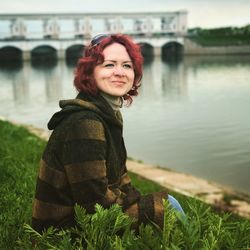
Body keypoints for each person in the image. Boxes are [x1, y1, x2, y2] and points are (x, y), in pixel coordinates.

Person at [32, 33, 184, 233]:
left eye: (127, 65)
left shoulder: (107, 114)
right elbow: (94, 202)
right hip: (64, 233)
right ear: (89, 72)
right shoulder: (84, 122)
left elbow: (121, 178)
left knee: (163, 204)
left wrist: (134, 200)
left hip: (87, 219)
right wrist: (145, 208)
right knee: (168, 206)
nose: (120, 72)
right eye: (109, 65)